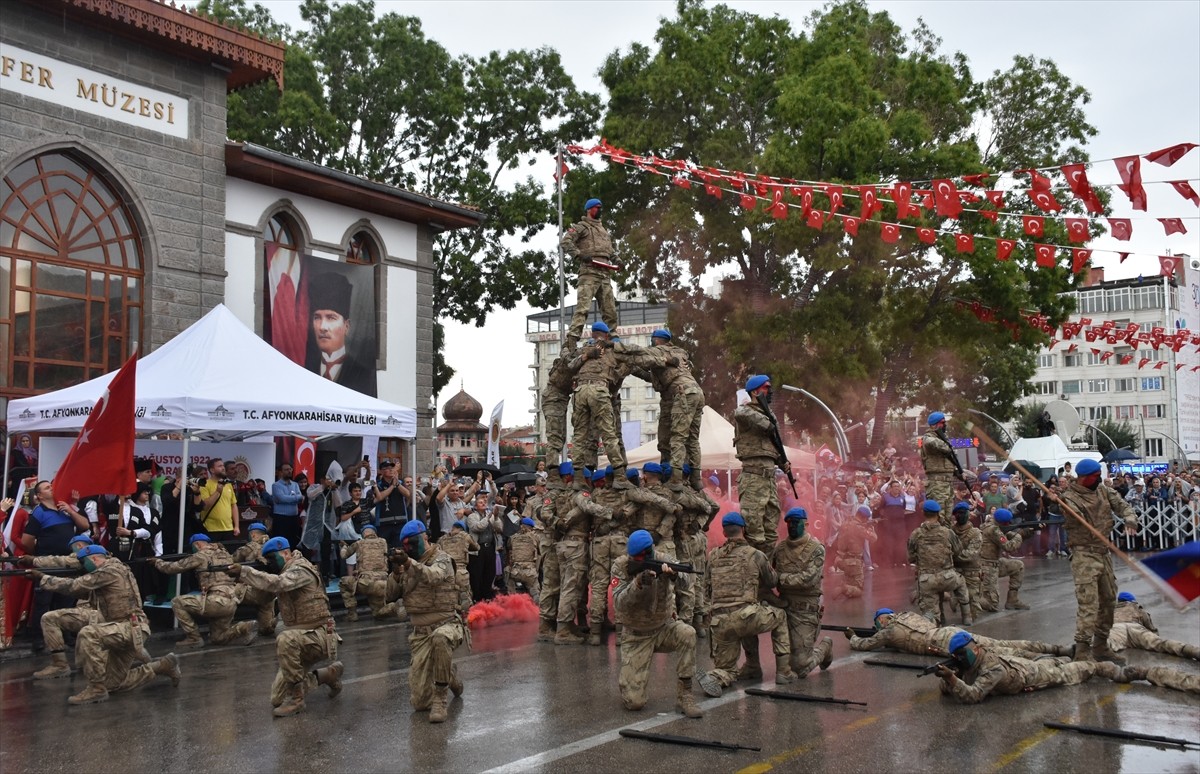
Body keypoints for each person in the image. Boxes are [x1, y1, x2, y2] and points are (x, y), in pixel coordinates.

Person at [32, 544, 181, 705]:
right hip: (128, 627)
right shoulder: (117, 568)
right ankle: (162, 666)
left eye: (84, 562)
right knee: (113, 684)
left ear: (94, 559)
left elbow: (74, 586)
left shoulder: (108, 571)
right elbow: (83, 589)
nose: (83, 566)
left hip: (127, 627)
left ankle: (96, 689)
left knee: (89, 634)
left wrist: (43, 579)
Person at [227, 537, 342, 717]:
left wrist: (245, 572)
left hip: (320, 636)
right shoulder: (283, 572)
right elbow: (261, 597)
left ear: (286, 553)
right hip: (301, 639)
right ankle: (327, 675)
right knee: (276, 699)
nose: (270, 563)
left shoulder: (301, 569)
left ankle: (297, 700)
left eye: (273, 558)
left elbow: (279, 583)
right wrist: (239, 585)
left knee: (284, 638)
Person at [697, 513, 796, 697]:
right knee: (778, 616)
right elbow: (772, 581)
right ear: (743, 529)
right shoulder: (755, 554)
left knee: (727, 668)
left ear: (725, 532)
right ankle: (783, 672)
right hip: (746, 617)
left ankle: (718, 676)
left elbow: (707, 589)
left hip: (719, 623)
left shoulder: (713, 556)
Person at [612, 529, 703, 718]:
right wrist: (637, 584)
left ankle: (685, 694)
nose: (635, 560)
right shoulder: (621, 565)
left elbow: (688, 581)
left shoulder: (664, 559)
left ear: (650, 551)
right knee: (634, 703)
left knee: (687, 633)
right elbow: (619, 603)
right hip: (636, 634)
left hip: (663, 627)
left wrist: (673, 576)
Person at [1056, 457, 1139, 664]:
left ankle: (1100, 645)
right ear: (1083, 478)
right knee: (1089, 603)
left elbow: (1123, 506)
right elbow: (1071, 516)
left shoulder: (1103, 490)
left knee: (1109, 599)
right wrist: (1057, 501)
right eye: (1094, 477)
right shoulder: (1069, 498)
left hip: (1103, 553)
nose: (1098, 480)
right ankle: (1082, 650)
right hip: (1084, 555)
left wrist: (1130, 519)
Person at [385, 521, 466, 724]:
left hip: (447, 624)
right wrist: (396, 572)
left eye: (412, 543)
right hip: (420, 633)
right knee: (420, 703)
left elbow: (434, 577)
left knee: (440, 638)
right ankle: (450, 675)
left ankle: (440, 697)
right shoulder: (406, 565)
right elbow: (390, 595)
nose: (409, 549)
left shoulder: (442, 558)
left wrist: (411, 564)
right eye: (406, 546)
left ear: (424, 538)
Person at [6, 533, 104, 679]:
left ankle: (61, 666)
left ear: (80, 547)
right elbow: (59, 561)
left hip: (107, 614)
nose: (75, 555)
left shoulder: (103, 568)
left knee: (50, 619)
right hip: (106, 610)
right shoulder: (104, 560)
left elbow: (72, 585)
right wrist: (33, 561)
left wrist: (42, 577)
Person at [935, 631, 1123, 704]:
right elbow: (948, 689)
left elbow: (974, 695)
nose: (959, 659)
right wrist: (950, 675)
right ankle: (1061, 657)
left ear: (974, 649)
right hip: (1015, 664)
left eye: (961, 654)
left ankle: (1101, 668)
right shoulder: (970, 662)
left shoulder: (990, 666)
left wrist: (952, 678)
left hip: (1027, 675)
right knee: (1052, 660)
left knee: (1066, 673)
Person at [22, 480, 90, 653]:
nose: (51, 488)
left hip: (68, 564)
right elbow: (27, 541)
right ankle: (39, 638)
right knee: (43, 603)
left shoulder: (65, 509)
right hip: (48, 565)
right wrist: (40, 556)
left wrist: (71, 510)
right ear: (39, 496)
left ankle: (65, 635)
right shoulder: (39, 513)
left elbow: (84, 525)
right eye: (47, 488)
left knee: (66, 602)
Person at [154, 534, 257, 648]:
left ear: (197, 544)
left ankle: (194, 638)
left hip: (216, 600)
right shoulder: (226, 555)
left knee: (177, 602)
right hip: (232, 602)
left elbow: (172, 567)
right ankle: (242, 628)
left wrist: (157, 562)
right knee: (218, 638)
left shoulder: (200, 555)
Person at [847, 608, 1064, 657]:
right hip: (949, 632)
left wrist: (853, 636)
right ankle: (1054, 649)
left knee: (996, 654)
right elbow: (932, 617)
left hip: (940, 643)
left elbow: (864, 645)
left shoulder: (889, 631)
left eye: (878, 622)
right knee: (1001, 643)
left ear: (883, 619)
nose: (879, 625)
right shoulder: (908, 615)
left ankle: (1042, 659)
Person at [771, 508, 833, 678]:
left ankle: (825, 648)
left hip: (805, 610)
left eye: (795, 523)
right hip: (783, 607)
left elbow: (808, 580)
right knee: (785, 662)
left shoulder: (816, 549)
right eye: (789, 523)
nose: (791, 526)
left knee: (801, 667)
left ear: (805, 524)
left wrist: (780, 579)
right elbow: (769, 575)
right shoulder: (780, 549)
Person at [568, 322, 629, 479]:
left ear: (592, 333)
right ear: (606, 335)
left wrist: (586, 356)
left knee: (580, 437)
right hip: (600, 392)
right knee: (610, 435)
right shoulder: (612, 350)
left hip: (580, 392)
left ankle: (579, 477)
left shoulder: (583, 349)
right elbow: (635, 356)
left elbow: (570, 365)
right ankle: (620, 475)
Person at [733, 375, 788, 551]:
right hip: (753, 477)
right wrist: (767, 423)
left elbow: (775, 445)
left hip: (770, 479)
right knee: (754, 530)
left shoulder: (770, 415)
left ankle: (766, 569)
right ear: (755, 392)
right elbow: (740, 413)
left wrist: (783, 462)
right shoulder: (746, 411)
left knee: (771, 530)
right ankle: (753, 572)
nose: (770, 391)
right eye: (766, 388)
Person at [561, 197, 618, 350]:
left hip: (605, 273)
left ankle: (613, 336)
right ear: (589, 209)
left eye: (601, 207)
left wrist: (618, 260)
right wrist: (579, 254)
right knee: (583, 308)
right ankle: (572, 339)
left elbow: (610, 251)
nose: (600, 210)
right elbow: (565, 242)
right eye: (597, 207)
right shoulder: (581, 227)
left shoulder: (603, 230)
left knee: (610, 309)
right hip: (589, 272)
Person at [306, 272, 376, 395]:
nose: (322, 327)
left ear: (346, 326)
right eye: (317, 318)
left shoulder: (363, 373)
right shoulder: (305, 369)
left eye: (331, 318)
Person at [907, 501, 971, 625]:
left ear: (923, 513)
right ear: (938, 514)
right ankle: (967, 617)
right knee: (961, 582)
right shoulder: (947, 532)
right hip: (947, 578)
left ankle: (936, 623)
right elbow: (958, 552)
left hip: (927, 581)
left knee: (930, 615)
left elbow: (910, 558)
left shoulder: (915, 534)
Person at [1108, 591, 1199, 660]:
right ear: (1132, 601)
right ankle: (1192, 651)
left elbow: (1103, 625)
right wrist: (1154, 637)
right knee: (1160, 643)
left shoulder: (1112, 610)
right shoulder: (1137, 608)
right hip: (1135, 628)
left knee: (1107, 644)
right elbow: (1151, 628)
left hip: (1117, 628)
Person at [339, 524, 403, 620]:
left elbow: (344, 555)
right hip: (384, 583)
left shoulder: (359, 543)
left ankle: (352, 614)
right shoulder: (383, 542)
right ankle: (394, 607)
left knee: (344, 582)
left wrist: (344, 546)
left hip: (367, 583)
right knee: (377, 613)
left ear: (363, 534)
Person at [232, 523, 279, 636]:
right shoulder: (274, 546)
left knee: (226, 593)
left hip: (252, 590)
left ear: (253, 535)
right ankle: (276, 622)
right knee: (266, 628)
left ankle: (233, 628)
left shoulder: (249, 547)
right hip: (269, 590)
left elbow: (231, 561)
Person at [978, 509, 1030, 611]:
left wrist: (1026, 534)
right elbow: (1009, 547)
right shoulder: (993, 530)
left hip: (994, 563)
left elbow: (1009, 535)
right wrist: (1020, 535)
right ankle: (968, 597)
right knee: (993, 605)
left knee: (1018, 566)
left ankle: (1012, 600)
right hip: (986, 567)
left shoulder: (992, 525)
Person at [542, 343, 581, 467]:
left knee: (561, 438)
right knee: (555, 439)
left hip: (561, 399)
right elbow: (567, 357)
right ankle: (553, 474)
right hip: (553, 399)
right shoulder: (570, 361)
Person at [920, 412, 958, 522]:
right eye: (942, 423)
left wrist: (956, 472)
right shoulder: (928, 438)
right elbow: (939, 446)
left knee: (948, 518)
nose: (944, 425)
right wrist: (947, 444)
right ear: (933, 425)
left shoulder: (942, 439)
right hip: (937, 485)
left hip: (947, 484)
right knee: (938, 517)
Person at [949, 502, 984, 623]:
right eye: (958, 513)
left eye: (963, 513)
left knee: (974, 612)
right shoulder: (950, 532)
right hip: (956, 571)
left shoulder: (975, 533)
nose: (961, 516)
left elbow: (971, 554)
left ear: (969, 515)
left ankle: (957, 599)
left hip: (971, 572)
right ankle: (956, 598)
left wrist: (953, 557)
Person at [466, 494, 503, 604]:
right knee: (477, 574)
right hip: (478, 549)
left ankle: (487, 596)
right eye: (480, 502)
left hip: (490, 547)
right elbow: (478, 527)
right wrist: (488, 517)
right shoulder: (472, 516)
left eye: (484, 502)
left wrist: (495, 517)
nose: (483, 504)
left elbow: (499, 528)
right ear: (476, 506)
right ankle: (477, 597)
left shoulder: (490, 515)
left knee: (490, 573)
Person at [834, 506, 877, 598]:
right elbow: (873, 538)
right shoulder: (858, 527)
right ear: (864, 517)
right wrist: (872, 530)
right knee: (859, 591)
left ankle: (845, 587)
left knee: (851, 585)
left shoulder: (845, 523)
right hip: (854, 561)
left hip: (841, 559)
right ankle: (843, 588)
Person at [194, 458, 239, 543]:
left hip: (228, 529)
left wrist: (236, 526)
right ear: (212, 470)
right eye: (219, 466)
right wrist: (217, 491)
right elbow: (204, 506)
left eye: (223, 466)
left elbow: (234, 505)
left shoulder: (228, 485)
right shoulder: (205, 484)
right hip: (211, 529)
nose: (223, 468)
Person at [436, 520, 478, 613]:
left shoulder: (442, 539)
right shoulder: (465, 536)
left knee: (450, 598)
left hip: (447, 572)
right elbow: (476, 547)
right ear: (462, 529)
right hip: (461, 571)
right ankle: (467, 620)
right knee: (465, 598)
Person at [270, 463, 304, 548]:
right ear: (281, 472)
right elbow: (282, 498)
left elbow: (301, 498)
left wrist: (290, 498)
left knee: (292, 541)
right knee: (280, 542)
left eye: (290, 469)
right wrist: (295, 498)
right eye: (286, 470)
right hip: (281, 518)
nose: (289, 471)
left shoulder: (295, 484)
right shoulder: (276, 485)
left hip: (294, 518)